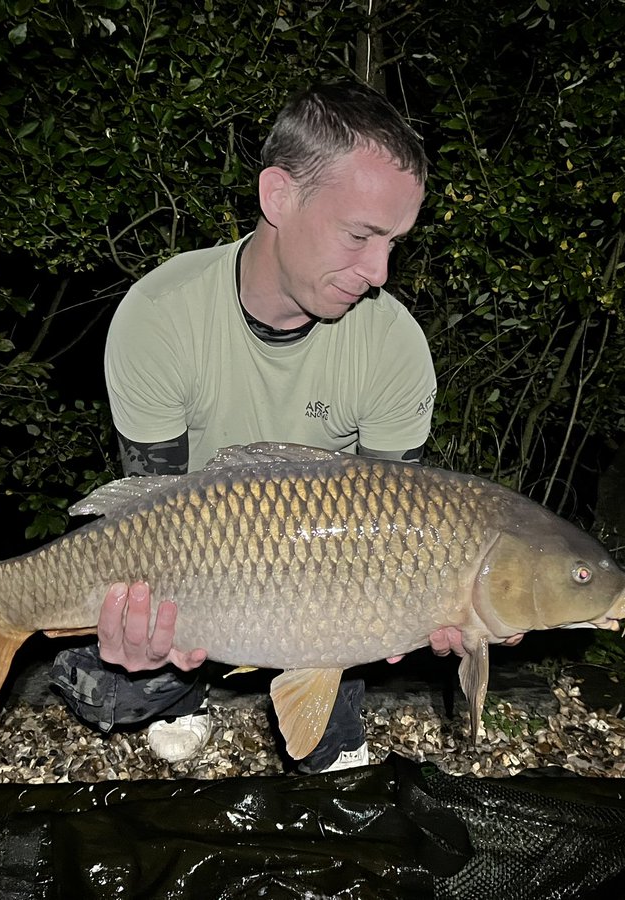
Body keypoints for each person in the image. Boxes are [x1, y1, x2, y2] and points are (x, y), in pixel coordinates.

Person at [49, 80, 464, 773]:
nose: (379, 272)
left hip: (325, 580)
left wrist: (433, 603)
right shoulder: (160, 317)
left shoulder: (394, 347)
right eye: (361, 235)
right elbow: (150, 511)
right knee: (110, 691)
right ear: (279, 196)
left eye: (394, 242)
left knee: (346, 688)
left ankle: (310, 703)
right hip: (192, 560)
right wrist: (144, 616)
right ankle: (185, 696)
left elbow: (395, 529)